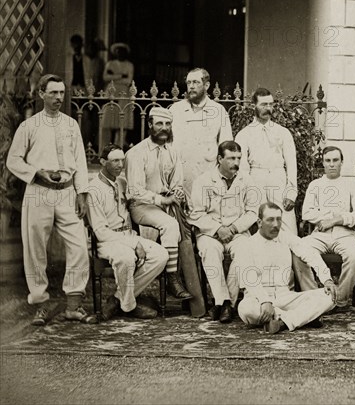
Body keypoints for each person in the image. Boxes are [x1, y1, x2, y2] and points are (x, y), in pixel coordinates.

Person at [6, 74, 97, 325]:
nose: (59, 97)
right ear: (41, 95)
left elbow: (80, 162)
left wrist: (82, 194)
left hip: (67, 192)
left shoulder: (71, 125)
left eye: (61, 93)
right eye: (53, 93)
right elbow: (13, 160)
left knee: (79, 247)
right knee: (35, 249)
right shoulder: (29, 127)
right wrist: (36, 173)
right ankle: (41, 306)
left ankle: (73, 305)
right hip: (38, 192)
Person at [87, 144, 168, 320]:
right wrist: (134, 243)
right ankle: (130, 306)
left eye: (122, 160)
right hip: (107, 241)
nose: (120, 165)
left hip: (129, 235)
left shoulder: (122, 182)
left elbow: (139, 198)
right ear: (102, 162)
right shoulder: (93, 190)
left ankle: (118, 300)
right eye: (115, 160)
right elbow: (100, 232)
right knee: (125, 258)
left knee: (161, 255)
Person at [237, 202, 338, 334]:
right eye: (270, 220)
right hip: (257, 299)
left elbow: (310, 254)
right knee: (246, 309)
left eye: (279, 219)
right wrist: (264, 301)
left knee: (330, 296)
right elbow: (249, 280)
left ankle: (283, 322)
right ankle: (303, 317)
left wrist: (327, 280)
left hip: (284, 296)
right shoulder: (246, 245)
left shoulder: (286, 237)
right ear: (259, 222)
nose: (276, 225)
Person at [125, 107, 193, 301]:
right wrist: (162, 200)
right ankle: (172, 278)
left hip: (165, 205)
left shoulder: (172, 151)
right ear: (150, 126)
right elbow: (136, 190)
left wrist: (177, 191)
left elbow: (177, 181)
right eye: (159, 124)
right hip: (141, 206)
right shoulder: (136, 153)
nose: (164, 128)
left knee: (189, 228)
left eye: (168, 124)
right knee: (170, 225)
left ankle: (190, 289)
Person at [187, 141, 259, 323]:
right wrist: (218, 229)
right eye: (231, 158)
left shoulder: (247, 180)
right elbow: (196, 213)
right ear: (219, 159)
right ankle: (224, 301)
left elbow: (253, 211)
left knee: (244, 251)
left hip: (237, 232)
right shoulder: (203, 180)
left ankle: (227, 304)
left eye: (239, 158)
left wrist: (234, 228)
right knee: (210, 251)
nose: (236, 162)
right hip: (210, 232)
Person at [296, 146, 355, 308]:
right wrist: (326, 219)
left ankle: (339, 300)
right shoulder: (315, 185)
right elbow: (306, 213)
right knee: (299, 251)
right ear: (323, 163)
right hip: (320, 234)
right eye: (328, 161)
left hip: (345, 234)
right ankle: (314, 298)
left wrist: (338, 219)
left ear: (342, 162)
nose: (332, 164)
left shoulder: (351, 184)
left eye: (335, 160)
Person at [235, 88, 298, 235]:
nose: (268, 108)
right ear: (254, 106)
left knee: (287, 226)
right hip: (256, 180)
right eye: (263, 105)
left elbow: (291, 165)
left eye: (270, 104)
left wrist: (291, 193)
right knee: (260, 226)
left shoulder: (283, 132)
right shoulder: (244, 134)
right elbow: (242, 169)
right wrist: (248, 193)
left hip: (279, 179)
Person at [171, 68, 233, 197]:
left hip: (207, 178)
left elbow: (226, 148)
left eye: (195, 82)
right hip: (179, 178)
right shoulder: (175, 110)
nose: (191, 87)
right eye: (189, 83)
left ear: (207, 85)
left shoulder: (218, 111)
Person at [102, 43, 134, 144]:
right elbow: (105, 77)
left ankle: (118, 145)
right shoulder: (110, 64)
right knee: (108, 121)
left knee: (121, 121)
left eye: (122, 52)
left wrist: (114, 76)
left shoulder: (129, 65)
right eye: (118, 52)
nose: (120, 54)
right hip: (111, 92)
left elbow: (128, 81)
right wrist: (121, 75)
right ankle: (105, 147)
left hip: (123, 93)